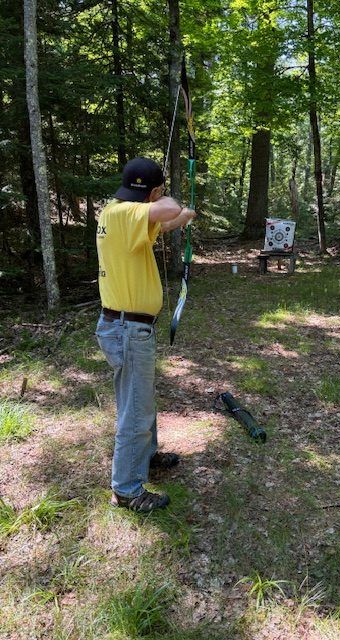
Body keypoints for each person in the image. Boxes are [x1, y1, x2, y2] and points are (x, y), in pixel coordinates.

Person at [96, 156, 196, 512]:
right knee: (135, 411)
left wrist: (183, 219)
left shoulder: (117, 213)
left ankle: (145, 457)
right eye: (157, 193)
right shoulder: (128, 213)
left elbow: (164, 221)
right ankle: (126, 489)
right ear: (153, 192)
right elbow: (167, 208)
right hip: (128, 328)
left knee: (141, 401)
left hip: (127, 326)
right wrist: (172, 205)